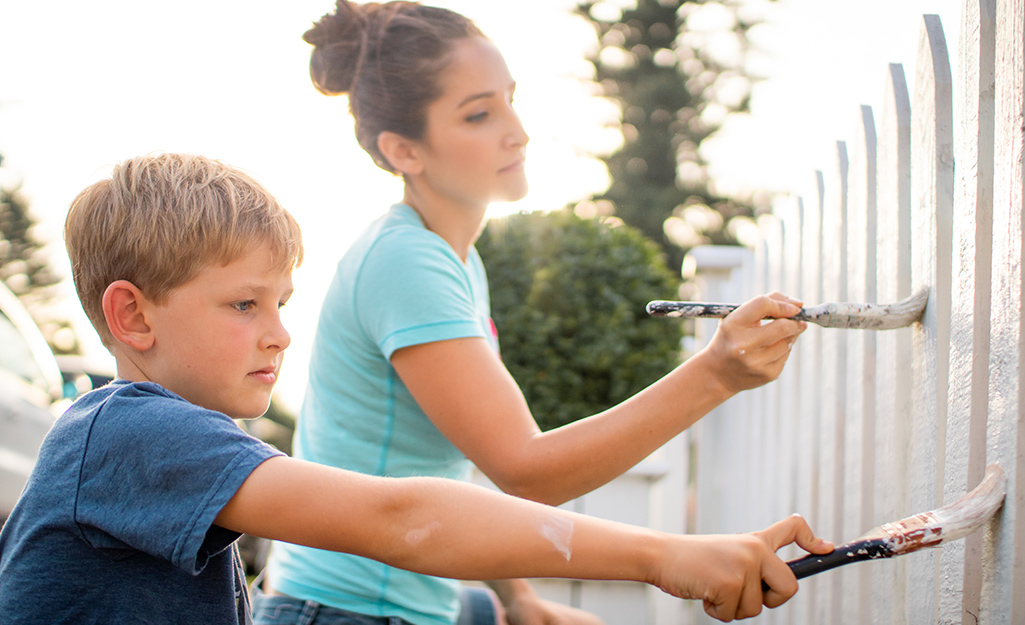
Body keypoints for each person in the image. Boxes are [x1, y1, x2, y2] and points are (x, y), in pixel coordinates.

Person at [0, 153, 830, 625]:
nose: (280, 332)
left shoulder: (145, 439)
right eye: (243, 304)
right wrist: (661, 554)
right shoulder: (131, 431)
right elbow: (405, 518)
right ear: (132, 316)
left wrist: (506, 604)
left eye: (281, 304)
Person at [259, 2, 814, 625]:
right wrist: (716, 373)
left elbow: (451, 469)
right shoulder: (405, 262)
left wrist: (519, 600)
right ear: (404, 150)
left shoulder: (449, 258)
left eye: (510, 99)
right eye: (479, 113)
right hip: (346, 612)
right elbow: (526, 471)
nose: (516, 130)